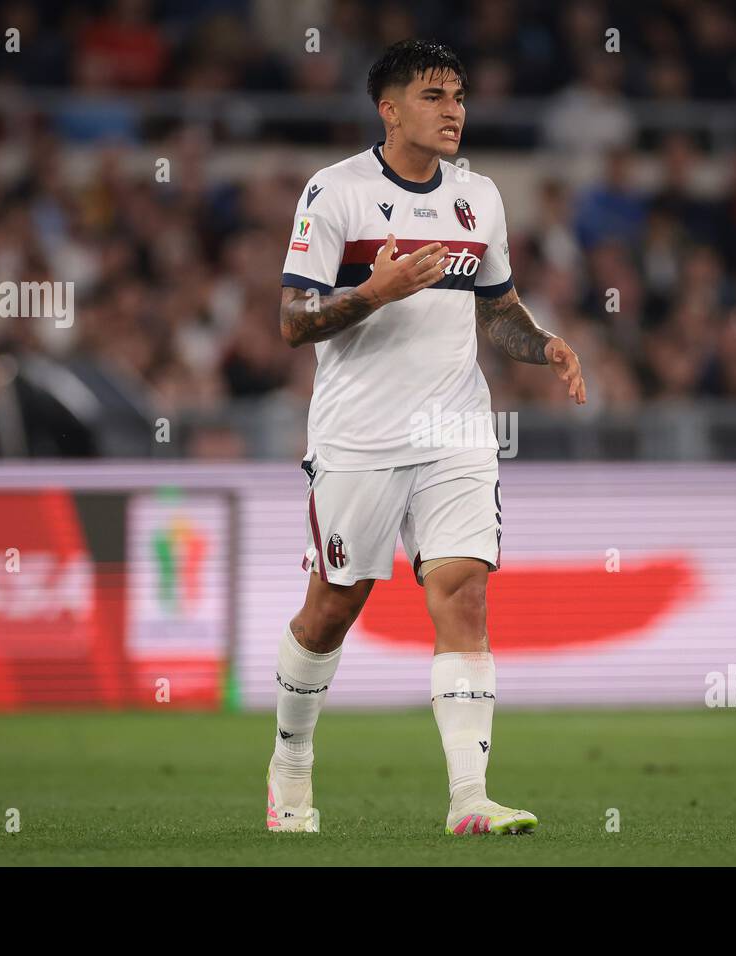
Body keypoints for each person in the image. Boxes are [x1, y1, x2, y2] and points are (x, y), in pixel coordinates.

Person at [270, 39, 586, 835]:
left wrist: (542, 344)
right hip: (360, 438)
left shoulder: (480, 195)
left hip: (455, 429)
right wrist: (374, 291)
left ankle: (469, 798)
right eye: (436, 96)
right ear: (390, 108)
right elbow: (291, 323)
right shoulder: (334, 192)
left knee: (464, 591)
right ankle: (292, 763)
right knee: (332, 609)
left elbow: (498, 308)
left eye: (460, 96)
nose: (455, 110)